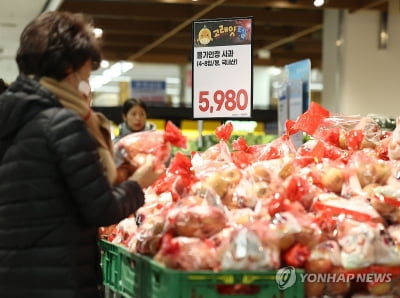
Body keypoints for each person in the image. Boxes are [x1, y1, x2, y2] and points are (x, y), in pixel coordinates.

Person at [0, 11, 164, 298]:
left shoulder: (12, 114)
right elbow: (101, 209)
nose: (88, 77)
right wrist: (139, 182)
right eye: (87, 69)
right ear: (68, 68)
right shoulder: (63, 123)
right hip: (59, 279)